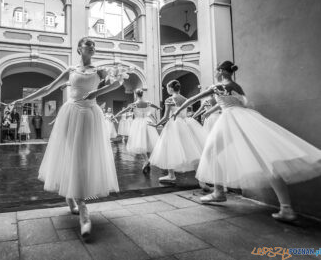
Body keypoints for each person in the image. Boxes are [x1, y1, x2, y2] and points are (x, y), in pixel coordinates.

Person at [10, 37, 130, 239]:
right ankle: (73, 200)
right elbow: (48, 89)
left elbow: (118, 82)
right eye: (88, 45)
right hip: (71, 113)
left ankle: (82, 208)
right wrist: (24, 99)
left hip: (90, 115)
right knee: (69, 154)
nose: (92, 48)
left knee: (84, 156)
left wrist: (97, 91)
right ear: (78, 48)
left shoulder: (99, 71)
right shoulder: (70, 71)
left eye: (93, 46)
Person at [171, 60, 321, 221]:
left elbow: (191, 100)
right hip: (246, 119)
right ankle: (286, 208)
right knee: (266, 160)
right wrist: (214, 110)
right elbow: (240, 103)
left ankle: (219, 192)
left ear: (221, 71)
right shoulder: (237, 87)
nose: (215, 74)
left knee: (210, 152)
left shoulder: (216, 87)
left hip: (229, 120)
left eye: (216, 71)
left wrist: (177, 111)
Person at [148, 80, 207, 183]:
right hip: (186, 124)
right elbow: (187, 113)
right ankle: (200, 177)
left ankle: (171, 175)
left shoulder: (170, 99)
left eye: (167, 88)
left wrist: (156, 124)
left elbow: (166, 117)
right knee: (191, 148)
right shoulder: (185, 99)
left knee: (169, 147)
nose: (167, 90)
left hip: (174, 124)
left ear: (171, 88)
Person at [115, 89, 160, 174]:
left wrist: (117, 114)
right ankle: (147, 160)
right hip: (147, 121)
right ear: (142, 94)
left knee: (140, 142)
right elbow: (154, 105)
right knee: (147, 141)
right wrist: (158, 107)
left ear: (136, 94)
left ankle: (146, 160)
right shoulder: (147, 103)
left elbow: (124, 111)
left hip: (138, 123)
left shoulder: (134, 105)